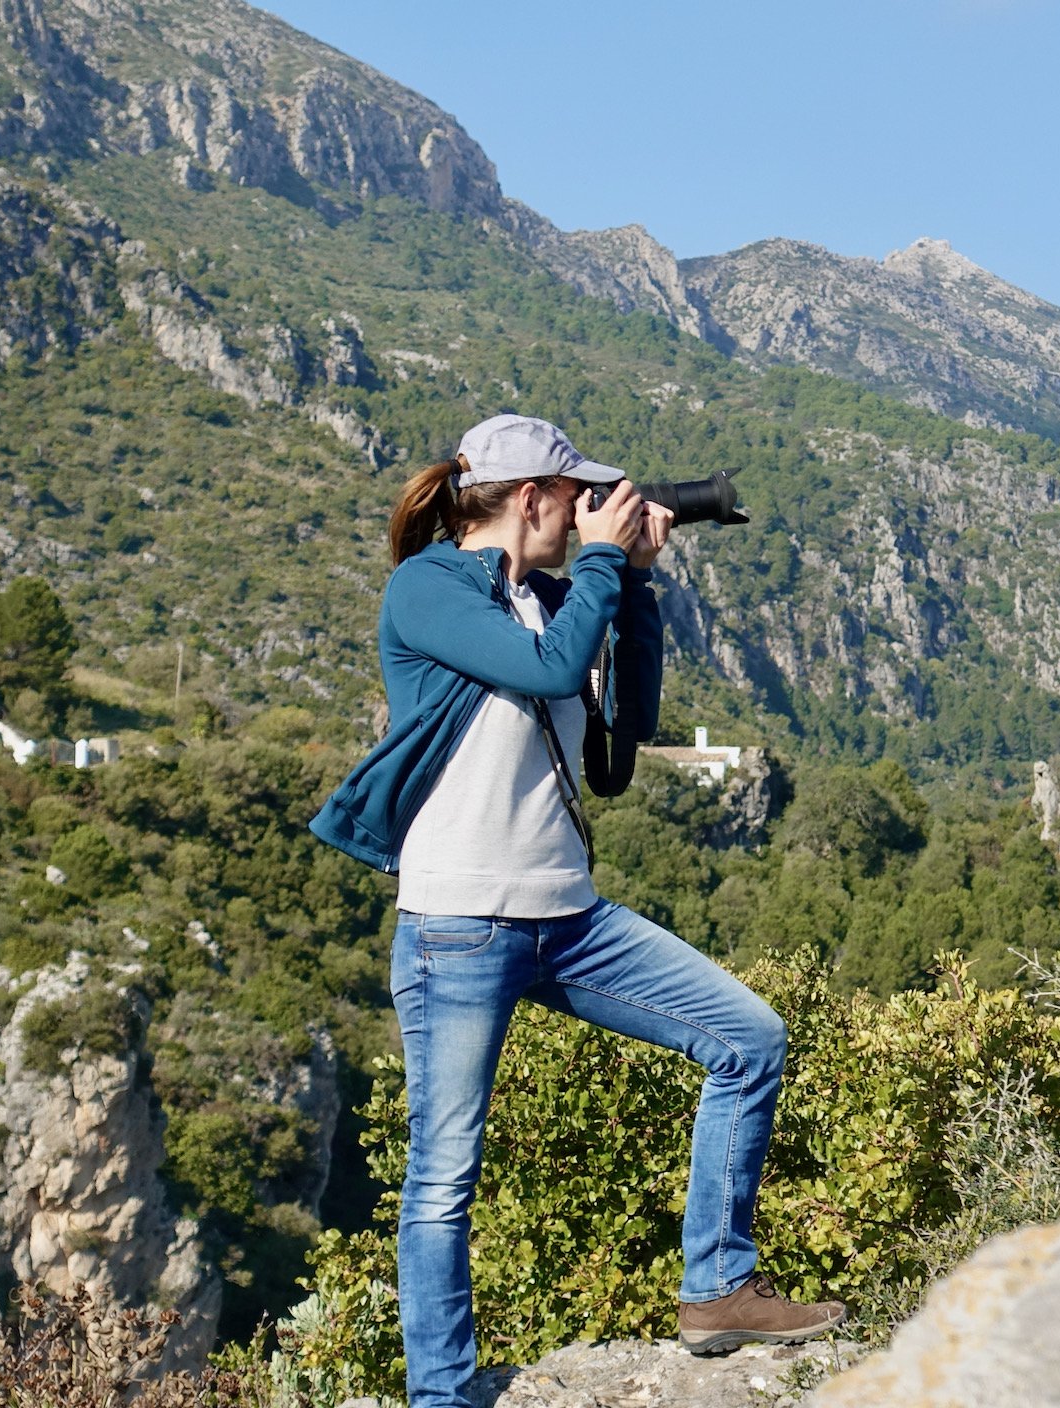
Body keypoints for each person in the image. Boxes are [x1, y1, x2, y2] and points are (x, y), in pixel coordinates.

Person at [311, 414, 845, 1407]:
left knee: (748, 1038)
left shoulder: (554, 594)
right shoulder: (427, 590)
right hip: (459, 927)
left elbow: (623, 731)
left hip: (567, 915)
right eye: (576, 494)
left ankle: (718, 1287)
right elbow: (553, 670)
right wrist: (604, 567)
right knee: (443, 1178)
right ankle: (442, 1393)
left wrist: (632, 580)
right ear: (532, 499)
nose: (588, 508)